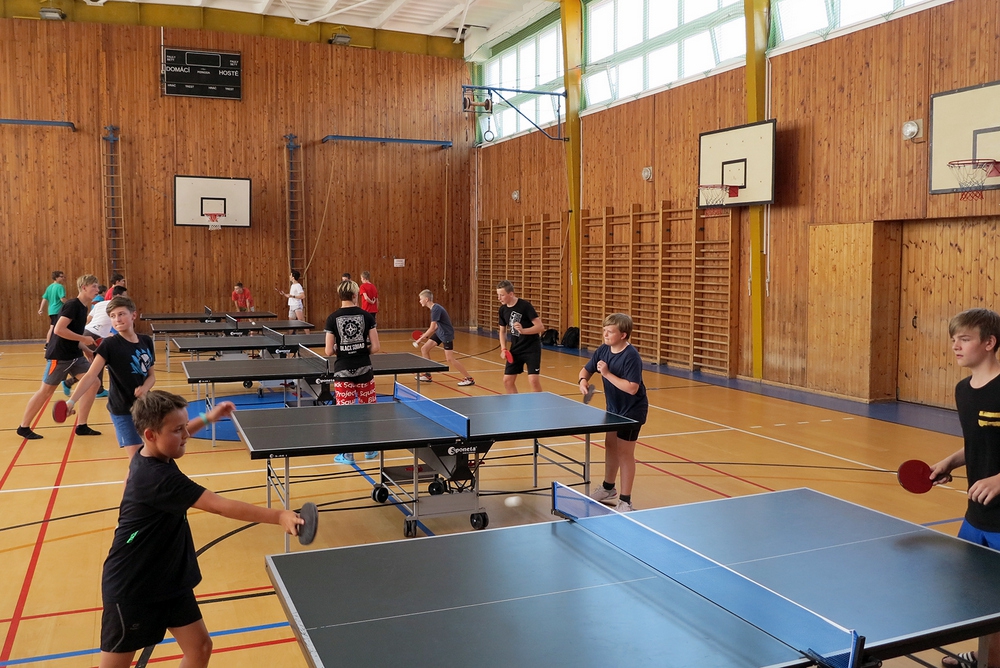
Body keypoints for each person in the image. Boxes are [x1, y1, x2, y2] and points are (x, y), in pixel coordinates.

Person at [97, 391, 305, 668]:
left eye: (185, 427)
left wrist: (209, 417)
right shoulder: (159, 478)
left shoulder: (148, 453)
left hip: (168, 578)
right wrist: (278, 515)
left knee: (200, 647)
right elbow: (219, 505)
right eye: (178, 430)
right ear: (150, 435)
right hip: (134, 586)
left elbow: (175, 434)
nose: (186, 435)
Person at [930, 308, 1000, 668]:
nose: (956, 346)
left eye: (965, 339)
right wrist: (950, 462)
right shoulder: (963, 391)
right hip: (976, 513)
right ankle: (987, 656)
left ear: (989, 343)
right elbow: (978, 442)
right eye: (954, 339)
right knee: (979, 596)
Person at [67, 294, 155, 464]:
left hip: (145, 408)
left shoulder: (146, 341)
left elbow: (151, 376)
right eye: (113, 316)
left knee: (149, 457)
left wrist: (145, 388)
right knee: (137, 460)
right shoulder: (110, 345)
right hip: (122, 409)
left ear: (133, 315)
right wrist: (71, 401)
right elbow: (90, 376)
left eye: (121, 314)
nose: (117, 319)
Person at [18, 275, 102, 440]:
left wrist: (86, 349)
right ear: (84, 287)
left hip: (75, 355)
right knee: (46, 391)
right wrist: (84, 339)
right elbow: (59, 330)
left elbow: (73, 334)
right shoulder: (72, 305)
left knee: (94, 383)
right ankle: (24, 427)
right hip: (60, 356)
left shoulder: (83, 307)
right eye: (94, 286)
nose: (97, 290)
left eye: (97, 287)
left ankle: (82, 425)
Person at [579, 314, 648, 513]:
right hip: (613, 409)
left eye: (610, 332)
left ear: (623, 335)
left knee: (625, 453)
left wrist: (607, 374)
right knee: (610, 445)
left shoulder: (631, 356)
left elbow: (632, 388)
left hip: (631, 412)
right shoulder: (603, 350)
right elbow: (585, 370)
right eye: (604, 330)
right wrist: (583, 381)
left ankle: (625, 501)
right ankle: (608, 488)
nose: (605, 334)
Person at [325, 280, 380, 463]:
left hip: (343, 371)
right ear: (355, 295)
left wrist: (341, 350)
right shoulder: (367, 316)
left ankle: (348, 454)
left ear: (340, 295)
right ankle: (370, 450)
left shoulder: (332, 318)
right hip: (364, 369)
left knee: (346, 413)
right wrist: (362, 350)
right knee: (367, 410)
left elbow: (328, 351)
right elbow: (376, 347)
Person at [415, 290, 475, 387]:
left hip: (446, 334)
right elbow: (435, 326)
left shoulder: (435, 309)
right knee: (424, 349)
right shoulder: (434, 308)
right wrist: (425, 335)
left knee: (449, 358)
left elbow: (432, 328)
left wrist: (420, 339)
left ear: (426, 299)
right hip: (440, 332)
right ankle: (427, 375)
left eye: (421, 299)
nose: (420, 301)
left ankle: (469, 378)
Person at [496, 280, 544, 393]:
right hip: (516, 348)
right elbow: (502, 331)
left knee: (533, 380)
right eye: (498, 295)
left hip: (531, 348)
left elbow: (540, 327)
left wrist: (523, 331)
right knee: (507, 381)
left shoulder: (525, 306)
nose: (499, 298)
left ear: (511, 294)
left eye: (502, 295)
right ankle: (515, 403)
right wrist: (503, 349)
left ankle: (539, 403)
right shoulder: (502, 310)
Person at [38, 271, 66, 344]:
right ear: (56, 278)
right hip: (58, 310)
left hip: (51, 311)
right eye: (61, 277)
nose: (63, 278)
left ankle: (50, 342)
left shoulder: (49, 287)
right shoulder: (60, 287)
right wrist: (69, 304)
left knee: (53, 326)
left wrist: (41, 309)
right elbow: (62, 299)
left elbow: (44, 298)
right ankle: (49, 343)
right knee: (54, 327)